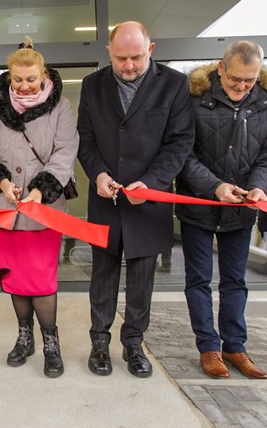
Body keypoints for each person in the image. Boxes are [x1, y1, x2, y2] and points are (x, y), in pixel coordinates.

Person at [77, 21, 194, 378]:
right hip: (106, 197)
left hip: (149, 200)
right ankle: (99, 343)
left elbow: (180, 142)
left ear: (151, 50)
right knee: (103, 273)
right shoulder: (92, 85)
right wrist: (98, 174)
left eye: (137, 58)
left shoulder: (174, 84)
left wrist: (153, 182)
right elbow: (85, 138)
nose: (128, 66)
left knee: (142, 276)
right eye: (121, 58)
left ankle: (133, 344)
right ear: (109, 53)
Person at [176, 41, 267, 379]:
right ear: (221, 68)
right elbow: (181, 152)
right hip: (199, 205)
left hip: (242, 209)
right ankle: (208, 347)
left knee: (235, 281)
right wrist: (215, 187)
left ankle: (235, 347)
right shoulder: (193, 97)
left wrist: (260, 187)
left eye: (249, 81)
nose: (241, 86)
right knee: (198, 280)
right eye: (235, 79)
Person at [0, 40, 78, 378]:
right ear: (10, 76)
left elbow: (65, 151)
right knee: (15, 276)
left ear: (43, 74)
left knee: (40, 277)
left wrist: (40, 189)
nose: (24, 86)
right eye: (18, 79)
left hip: (43, 208)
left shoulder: (60, 106)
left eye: (31, 79)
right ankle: (25, 337)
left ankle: (51, 342)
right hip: (4, 207)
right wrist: (2, 182)